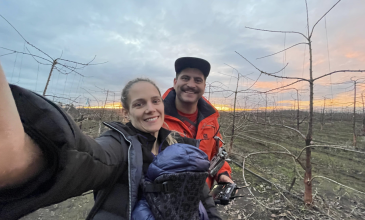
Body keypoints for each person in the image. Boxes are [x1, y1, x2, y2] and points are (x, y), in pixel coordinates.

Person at [0, 62, 221, 220]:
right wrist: (30, 157)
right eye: (139, 104)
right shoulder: (119, 144)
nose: (150, 109)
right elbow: (91, 159)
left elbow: (199, 188)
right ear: (126, 113)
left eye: (155, 101)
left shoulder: (178, 143)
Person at [162, 57, 234, 188]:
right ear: (175, 82)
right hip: (165, 200)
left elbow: (217, 153)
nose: (191, 84)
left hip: (204, 200)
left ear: (204, 86)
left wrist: (223, 174)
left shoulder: (211, 120)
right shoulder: (158, 118)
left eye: (198, 80)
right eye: (185, 78)